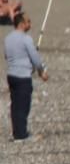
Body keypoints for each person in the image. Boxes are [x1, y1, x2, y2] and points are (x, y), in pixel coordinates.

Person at [4, 12, 47, 141]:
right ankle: (22, 135)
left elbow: (7, 56)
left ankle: (17, 132)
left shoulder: (8, 38)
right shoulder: (26, 39)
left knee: (15, 105)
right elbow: (35, 58)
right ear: (22, 24)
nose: (30, 24)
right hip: (23, 77)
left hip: (11, 75)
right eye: (28, 22)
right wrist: (41, 71)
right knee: (23, 106)